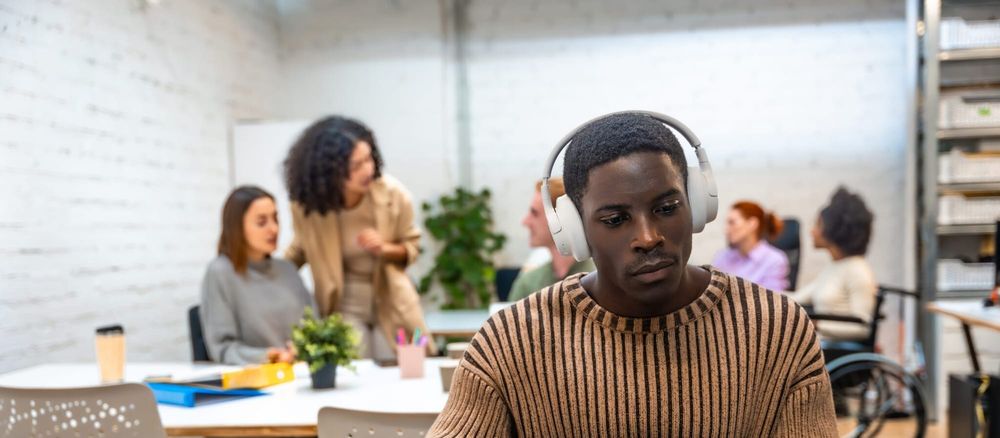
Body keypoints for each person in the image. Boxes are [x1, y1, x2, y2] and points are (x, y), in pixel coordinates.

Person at [430, 112, 836, 436]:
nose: (648, 237)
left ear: (696, 205)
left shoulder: (776, 330)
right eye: (616, 218)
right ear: (575, 232)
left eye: (666, 208)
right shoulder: (512, 341)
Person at [283, 116, 434, 359]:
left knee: (398, 368)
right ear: (329, 173)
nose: (368, 170)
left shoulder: (394, 194)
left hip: (390, 298)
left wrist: (384, 248)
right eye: (355, 166)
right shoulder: (309, 207)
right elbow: (301, 249)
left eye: (368, 159)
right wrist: (262, 272)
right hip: (344, 304)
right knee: (353, 370)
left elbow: (412, 247)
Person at [200, 186, 313, 365]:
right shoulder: (220, 273)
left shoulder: (288, 270)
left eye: (275, 218)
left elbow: (316, 326)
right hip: (256, 380)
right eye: (262, 222)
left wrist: (303, 347)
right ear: (237, 227)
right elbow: (222, 348)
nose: (274, 229)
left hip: (301, 376)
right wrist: (266, 357)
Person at [790, 187, 876, 341]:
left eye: (818, 224)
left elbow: (863, 327)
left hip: (833, 351)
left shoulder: (857, 270)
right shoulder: (835, 267)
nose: (812, 231)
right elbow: (796, 298)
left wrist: (817, 325)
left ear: (833, 229)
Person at [507, 177, 595, 302]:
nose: (525, 221)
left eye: (534, 213)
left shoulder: (600, 280)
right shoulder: (528, 283)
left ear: (559, 219)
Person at [712, 201, 790, 290]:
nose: (726, 230)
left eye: (732, 223)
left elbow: (772, 301)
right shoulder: (722, 256)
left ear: (752, 223)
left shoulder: (774, 261)